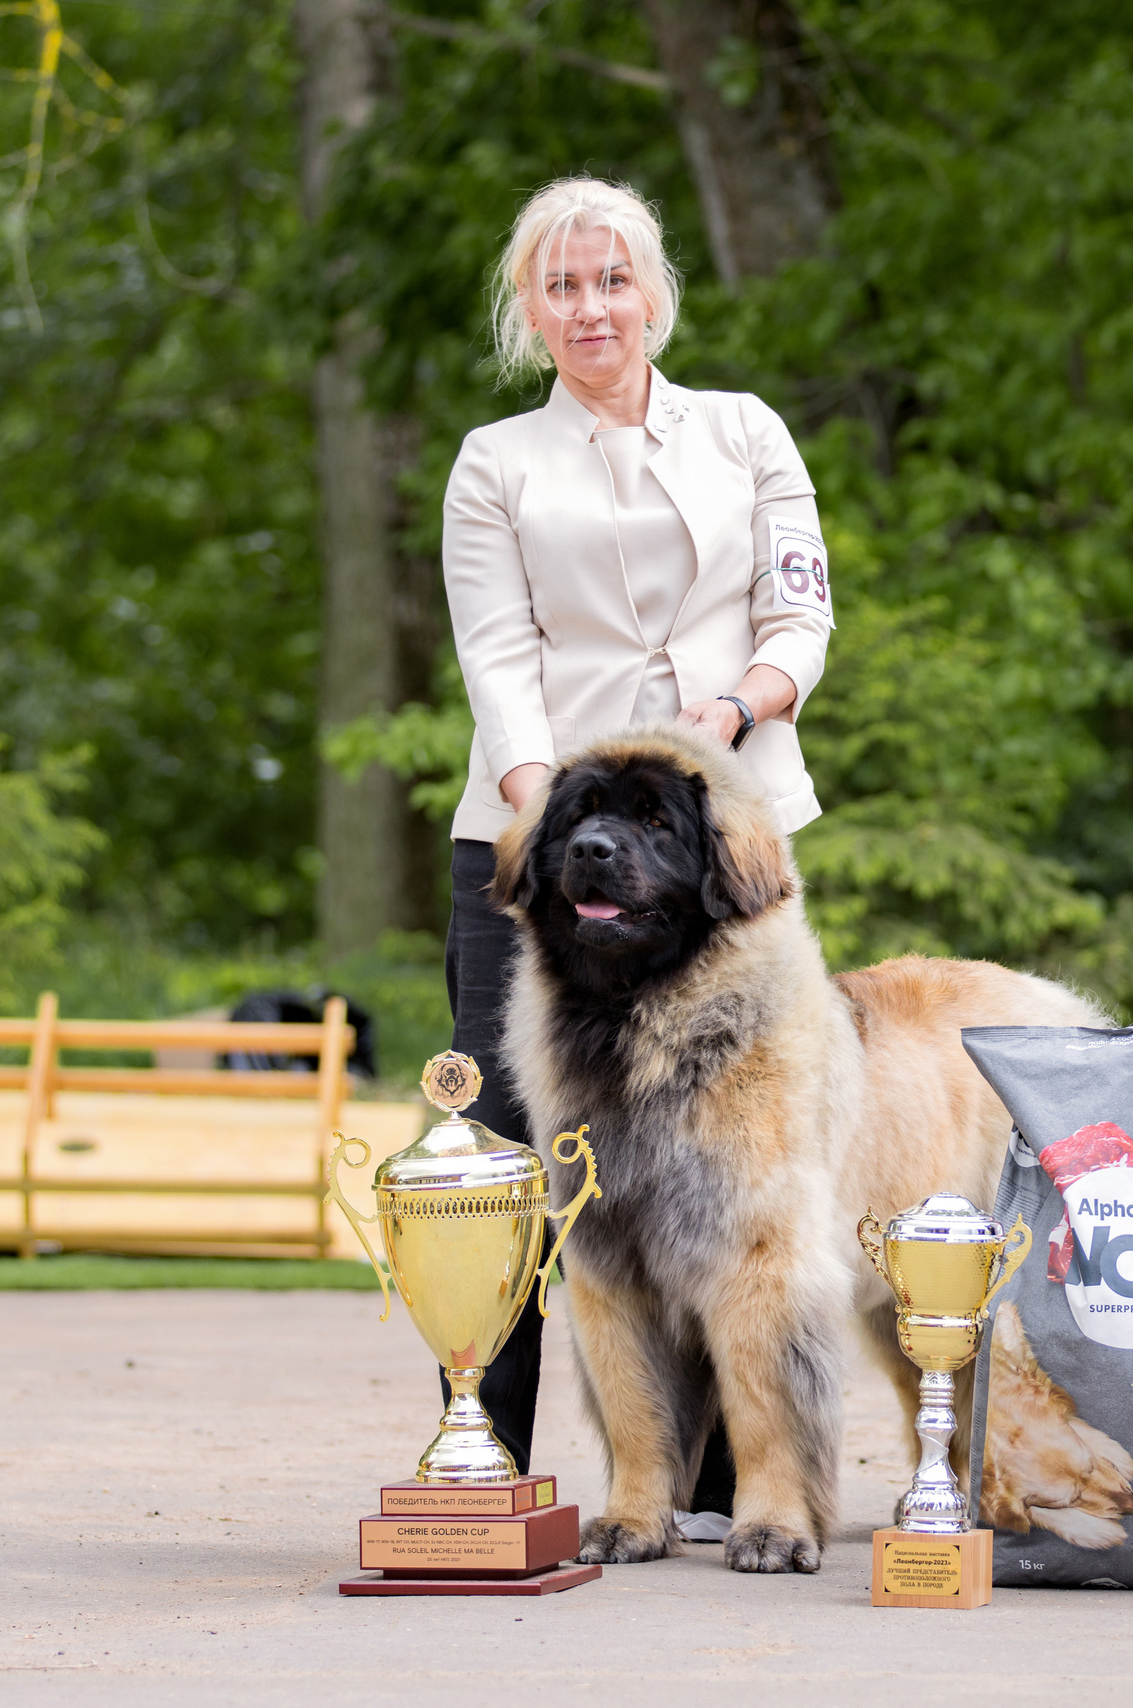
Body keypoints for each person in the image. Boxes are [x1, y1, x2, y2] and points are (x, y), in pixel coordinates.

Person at [434, 178, 835, 1519]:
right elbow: (498, 660)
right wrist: (559, 833)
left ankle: (725, 1479)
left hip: (720, 849)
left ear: (655, 294)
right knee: (507, 1157)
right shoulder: (495, 463)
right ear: (529, 310)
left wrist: (724, 723)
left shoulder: (747, 432)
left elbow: (800, 623)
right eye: (559, 285)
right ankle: (481, 1461)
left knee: (735, 1163)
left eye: (611, 279)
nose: (589, 305)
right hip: (541, 844)